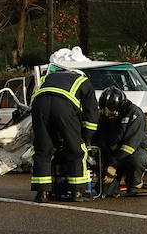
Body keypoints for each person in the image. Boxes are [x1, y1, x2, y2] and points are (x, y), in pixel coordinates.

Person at [29, 58, 99, 203]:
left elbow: (35, 95)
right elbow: (91, 115)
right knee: (76, 150)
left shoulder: (49, 77)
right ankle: (77, 192)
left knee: (42, 149)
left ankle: (42, 193)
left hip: (38, 104)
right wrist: (85, 138)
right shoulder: (84, 81)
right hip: (63, 105)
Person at [94, 87, 147, 197]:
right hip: (113, 153)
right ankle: (110, 187)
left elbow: (130, 145)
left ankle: (134, 183)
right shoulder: (103, 116)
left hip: (133, 151)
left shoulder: (135, 114)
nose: (107, 114)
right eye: (104, 110)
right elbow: (99, 139)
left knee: (137, 160)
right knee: (105, 192)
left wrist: (112, 166)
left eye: (110, 111)